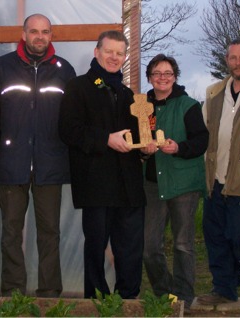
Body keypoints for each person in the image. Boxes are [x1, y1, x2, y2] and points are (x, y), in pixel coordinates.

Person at [0, 14, 76, 297]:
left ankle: (49, 294)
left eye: (45, 32)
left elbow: (73, 120)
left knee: (50, 233)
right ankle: (13, 294)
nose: (39, 36)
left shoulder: (64, 70)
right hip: (11, 165)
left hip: (50, 164)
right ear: (23, 34)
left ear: (51, 35)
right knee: (11, 233)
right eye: (34, 31)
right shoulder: (1, 68)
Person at [59, 30, 153, 299]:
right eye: (109, 51)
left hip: (129, 186)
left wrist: (145, 148)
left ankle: (128, 298)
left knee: (131, 247)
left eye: (119, 53)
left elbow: (135, 137)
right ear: (96, 52)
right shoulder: (77, 87)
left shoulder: (128, 94)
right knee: (96, 246)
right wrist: (105, 139)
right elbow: (67, 130)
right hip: (96, 184)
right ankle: (97, 302)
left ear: (125, 57)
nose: (114, 57)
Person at [198, 38, 240, 305]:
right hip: (215, 178)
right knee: (214, 236)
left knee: (237, 235)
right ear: (227, 60)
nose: (237, 63)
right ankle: (223, 288)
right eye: (233, 58)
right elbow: (203, 130)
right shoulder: (214, 92)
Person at [142, 54, 208, 311]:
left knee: (183, 244)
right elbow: (138, 141)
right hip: (152, 185)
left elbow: (202, 140)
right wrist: (144, 151)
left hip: (183, 184)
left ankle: (183, 296)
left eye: (167, 73)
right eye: (157, 73)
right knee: (149, 247)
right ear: (150, 77)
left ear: (175, 77)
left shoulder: (188, 105)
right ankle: (164, 293)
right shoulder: (142, 107)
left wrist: (179, 147)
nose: (162, 78)